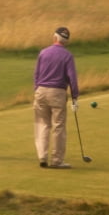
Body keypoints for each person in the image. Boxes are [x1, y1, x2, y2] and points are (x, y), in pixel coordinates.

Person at [33, 26, 79, 169]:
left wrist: (37, 90)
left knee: (42, 124)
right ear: (66, 42)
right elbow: (72, 78)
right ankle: (56, 160)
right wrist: (75, 97)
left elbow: (36, 74)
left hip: (41, 91)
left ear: (54, 38)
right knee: (58, 127)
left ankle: (42, 156)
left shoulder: (43, 52)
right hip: (57, 93)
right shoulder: (67, 56)